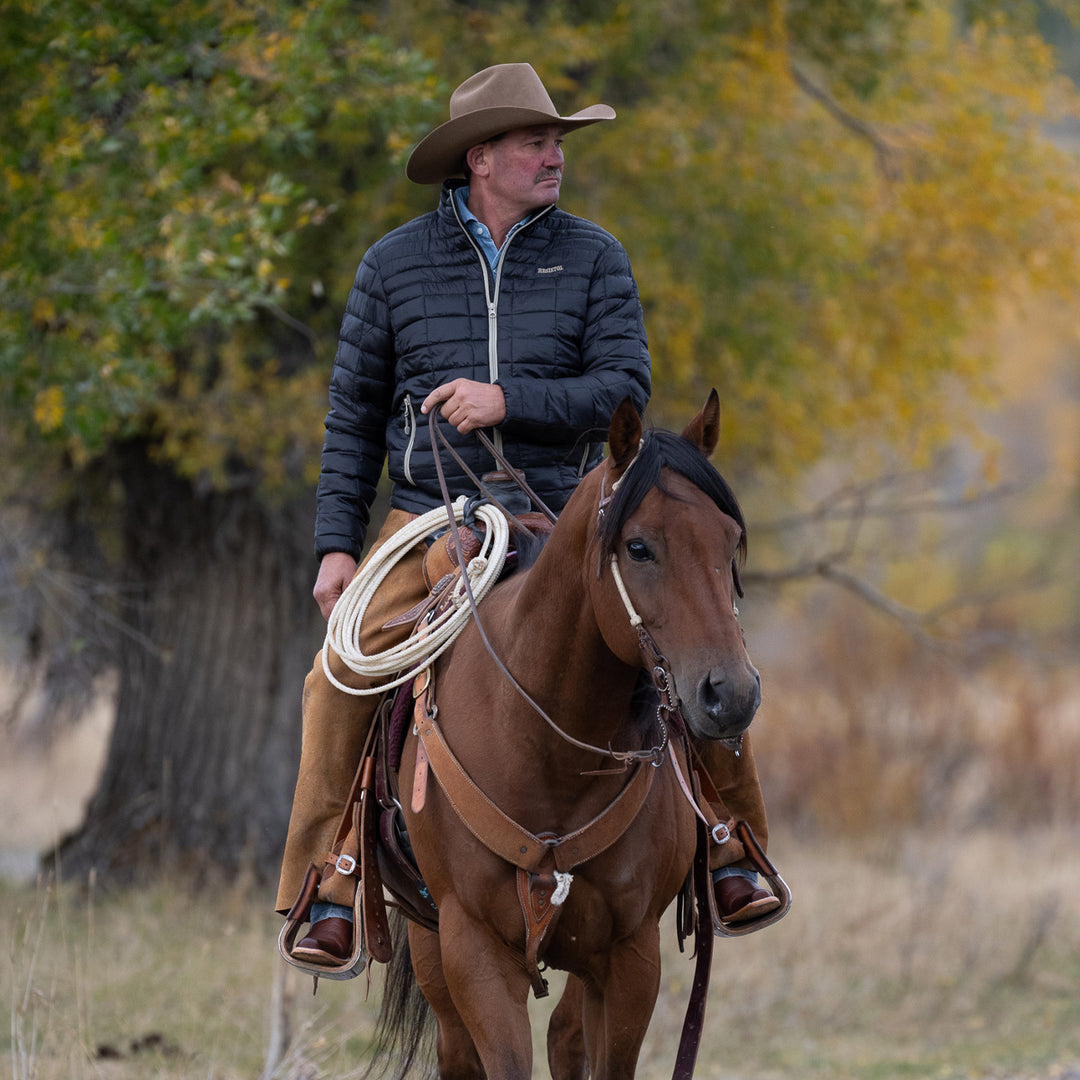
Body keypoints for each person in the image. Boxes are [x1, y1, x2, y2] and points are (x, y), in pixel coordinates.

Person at [277, 62, 780, 968]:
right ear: (479, 158)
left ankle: (728, 844)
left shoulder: (595, 255)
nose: (554, 156)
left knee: (697, 634)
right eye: (534, 142)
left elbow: (626, 390)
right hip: (428, 514)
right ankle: (330, 880)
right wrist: (334, 550)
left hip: (569, 514)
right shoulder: (393, 265)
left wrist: (508, 399)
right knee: (335, 675)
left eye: (556, 142)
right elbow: (352, 415)